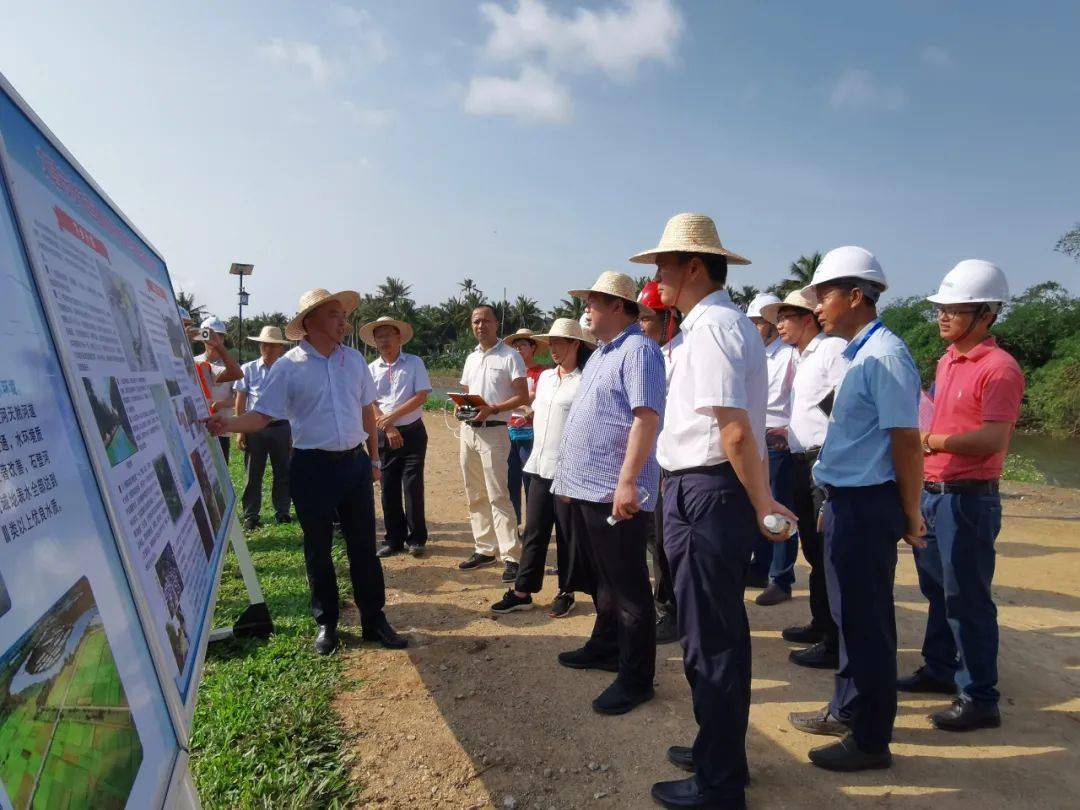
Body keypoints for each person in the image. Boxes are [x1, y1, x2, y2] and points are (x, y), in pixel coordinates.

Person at [633, 213, 794, 810]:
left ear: (693, 267)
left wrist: (763, 504)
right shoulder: (709, 325)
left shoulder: (715, 328)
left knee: (712, 640)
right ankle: (718, 751)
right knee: (710, 634)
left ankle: (720, 783)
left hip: (708, 490)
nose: (657, 278)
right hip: (696, 489)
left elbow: (733, 431)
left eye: (663, 266)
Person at [207, 289, 406, 655]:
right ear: (309, 323)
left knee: (363, 545)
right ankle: (327, 623)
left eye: (343, 315)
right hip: (311, 466)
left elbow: (367, 410)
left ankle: (373, 619)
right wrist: (228, 424)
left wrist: (373, 459)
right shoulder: (289, 367)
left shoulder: (355, 362)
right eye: (334, 315)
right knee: (318, 547)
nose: (343, 321)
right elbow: (262, 415)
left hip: (354, 464)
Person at [787, 246, 924, 772]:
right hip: (847, 501)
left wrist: (910, 513)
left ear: (857, 295)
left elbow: (905, 443)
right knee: (848, 616)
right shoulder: (858, 354)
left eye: (824, 294)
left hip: (869, 505)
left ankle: (870, 739)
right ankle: (847, 709)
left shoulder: (883, 357)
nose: (817, 305)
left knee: (867, 622)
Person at [898, 260, 1023, 732]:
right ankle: (938, 669)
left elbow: (993, 439)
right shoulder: (947, 361)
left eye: (956, 309)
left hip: (967, 499)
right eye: (942, 308)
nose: (944, 317)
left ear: (987, 315)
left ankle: (979, 696)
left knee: (966, 597)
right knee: (936, 591)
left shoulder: (1000, 368)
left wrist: (931, 442)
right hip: (933, 492)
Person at [550, 271, 665, 717]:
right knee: (604, 582)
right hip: (586, 489)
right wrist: (566, 481)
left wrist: (628, 481)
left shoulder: (639, 351)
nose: (586, 311)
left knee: (630, 588)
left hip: (614, 491)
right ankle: (605, 646)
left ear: (619, 306)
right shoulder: (601, 354)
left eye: (593, 303)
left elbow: (646, 418)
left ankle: (637, 679)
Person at [761, 290, 848, 668]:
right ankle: (821, 622)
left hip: (821, 463)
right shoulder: (804, 356)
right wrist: (790, 432)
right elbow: (812, 411)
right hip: (799, 457)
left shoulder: (830, 351)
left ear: (807, 319)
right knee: (813, 548)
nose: (779, 324)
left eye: (786, 317)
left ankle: (835, 639)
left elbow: (843, 408)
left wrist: (823, 449)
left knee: (827, 550)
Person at [490, 318, 594, 618]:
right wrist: (528, 414)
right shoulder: (547, 377)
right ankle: (523, 591)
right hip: (538, 464)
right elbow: (540, 408)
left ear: (575, 344)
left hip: (568, 470)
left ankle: (567, 590)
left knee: (566, 533)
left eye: (560, 343)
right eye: (552, 343)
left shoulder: (585, 381)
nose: (554, 349)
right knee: (534, 531)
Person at [457, 305, 529, 583]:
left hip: (496, 431)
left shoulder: (511, 356)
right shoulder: (471, 357)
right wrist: (459, 408)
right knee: (474, 492)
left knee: (499, 495)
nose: (480, 325)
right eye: (476, 321)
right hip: (468, 432)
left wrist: (494, 407)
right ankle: (484, 548)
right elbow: (465, 393)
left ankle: (511, 556)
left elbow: (523, 396)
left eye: (486, 320)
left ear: (497, 323)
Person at [362, 316, 432, 559]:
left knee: (412, 486)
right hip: (383, 434)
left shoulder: (414, 363)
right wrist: (387, 426)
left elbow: (421, 395)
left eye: (387, 335)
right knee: (388, 487)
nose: (383, 340)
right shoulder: (370, 369)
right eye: (378, 336)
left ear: (399, 337)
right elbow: (369, 402)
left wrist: (393, 417)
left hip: (412, 432)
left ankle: (417, 538)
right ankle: (394, 539)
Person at [745, 293, 798, 607]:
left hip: (779, 442)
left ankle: (782, 578)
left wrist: (788, 434)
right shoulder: (756, 356)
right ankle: (760, 567)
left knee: (777, 507)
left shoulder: (789, 356)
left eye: (760, 322)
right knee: (758, 505)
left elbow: (797, 402)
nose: (755, 327)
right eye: (752, 322)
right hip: (756, 439)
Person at [637, 280, 679, 645]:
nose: (641, 327)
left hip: (671, 464)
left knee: (666, 542)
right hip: (651, 463)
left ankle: (671, 610)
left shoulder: (680, 354)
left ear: (669, 320)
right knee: (653, 541)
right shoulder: (648, 355)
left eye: (647, 320)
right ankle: (664, 603)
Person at [233, 325, 293, 531]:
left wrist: (293, 432)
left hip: (282, 426)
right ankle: (251, 515)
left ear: (280, 349)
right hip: (255, 429)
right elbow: (241, 401)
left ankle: (283, 512)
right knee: (253, 473)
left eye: (272, 345)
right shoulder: (248, 369)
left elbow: (294, 402)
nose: (266, 348)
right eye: (264, 344)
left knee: (283, 472)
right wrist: (241, 430)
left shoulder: (288, 370)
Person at [503, 328, 548, 529]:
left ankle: (532, 525)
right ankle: (514, 523)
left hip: (530, 434)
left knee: (531, 482)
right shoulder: (509, 372)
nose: (519, 348)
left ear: (533, 347)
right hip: (508, 431)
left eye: (523, 344)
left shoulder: (542, 373)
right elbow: (507, 398)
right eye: (516, 345)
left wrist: (514, 403)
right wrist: (521, 405)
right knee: (510, 481)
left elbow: (536, 398)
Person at [194, 316, 242, 461]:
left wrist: (220, 405)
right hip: (197, 427)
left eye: (219, 335)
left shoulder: (231, 366)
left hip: (220, 428)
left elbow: (238, 398)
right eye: (208, 334)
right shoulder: (193, 361)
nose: (214, 339)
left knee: (220, 471)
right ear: (201, 335)